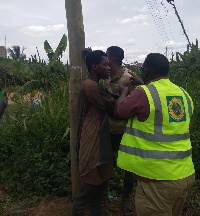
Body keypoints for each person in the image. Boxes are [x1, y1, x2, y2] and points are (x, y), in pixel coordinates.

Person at [117, 53, 195, 216]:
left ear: (145, 71)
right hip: (184, 174)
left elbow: (121, 111)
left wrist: (124, 92)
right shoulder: (183, 94)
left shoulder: (143, 93)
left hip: (157, 180)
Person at [72, 50, 128, 216]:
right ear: (95, 67)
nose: (109, 67)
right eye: (105, 65)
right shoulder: (90, 86)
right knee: (88, 189)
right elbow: (115, 110)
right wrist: (124, 93)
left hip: (99, 139)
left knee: (100, 187)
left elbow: (109, 98)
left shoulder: (96, 84)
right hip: (91, 142)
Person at [105, 46, 143, 215]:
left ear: (112, 59)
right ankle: (103, 193)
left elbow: (139, 99)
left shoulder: (128, 78)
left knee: (129, 166)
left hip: (125, 129)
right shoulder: (106, 75)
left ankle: (126, 198)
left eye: (107, 56)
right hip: (108, 127)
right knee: (105, 161)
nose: (105, 59)